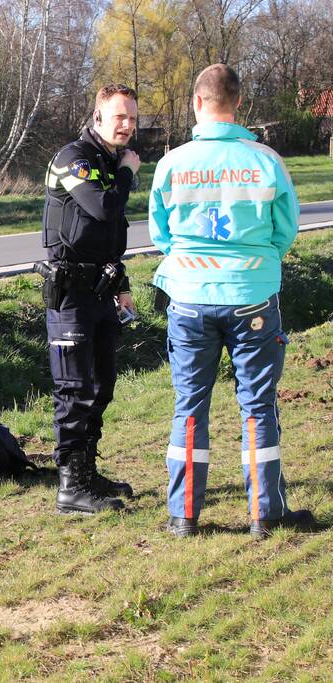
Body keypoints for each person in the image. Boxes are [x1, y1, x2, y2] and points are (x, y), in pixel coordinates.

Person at [148, 63, 314, 538]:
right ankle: (266, 514)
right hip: (253, 296)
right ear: (237, 103)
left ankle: (183, 515)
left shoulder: (172, 163)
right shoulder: (265, 160)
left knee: (190, 404)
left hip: (189, 298)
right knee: (258, 406)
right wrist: (257, 262)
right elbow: (285, 231)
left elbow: (162, 235)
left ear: (197, 102)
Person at [39, 84, 141, 514]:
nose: (128, 125)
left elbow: (108, 235)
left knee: (101, 386)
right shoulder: (74, 158)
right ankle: (70, 488)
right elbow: (102, 206)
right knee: (74, 390)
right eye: (119, 116)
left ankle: (87, 473)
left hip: (100, 291)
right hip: (70, 295)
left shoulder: (108, 161)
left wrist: (122, 285)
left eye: (133, 118)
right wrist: (128, 173)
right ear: (98, 116)